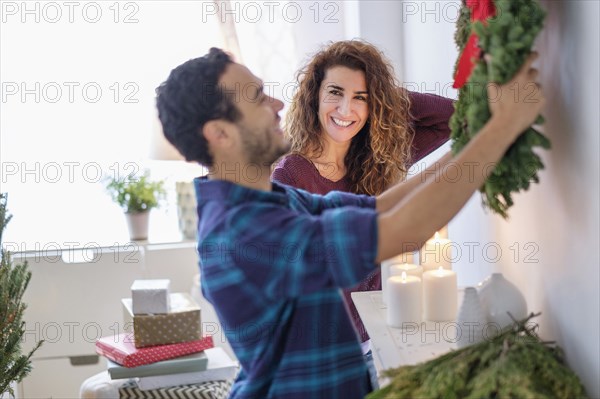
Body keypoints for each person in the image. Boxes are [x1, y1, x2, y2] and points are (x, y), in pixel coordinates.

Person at [156, 48, 544, 398]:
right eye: (257, 98)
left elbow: (380, 209)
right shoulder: (244, 231)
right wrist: (501, 128)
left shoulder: (272, 201)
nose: (276, 103)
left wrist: (479, 132)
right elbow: (402, 230)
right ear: (220, 134)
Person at [271, 40, 454, 360]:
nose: (345, 110)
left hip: (374, 339)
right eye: (335, 92)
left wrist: (383, 95)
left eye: (360, 98)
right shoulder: (291, 174)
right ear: (315, 96)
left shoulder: (381, 162)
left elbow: (451, 118)